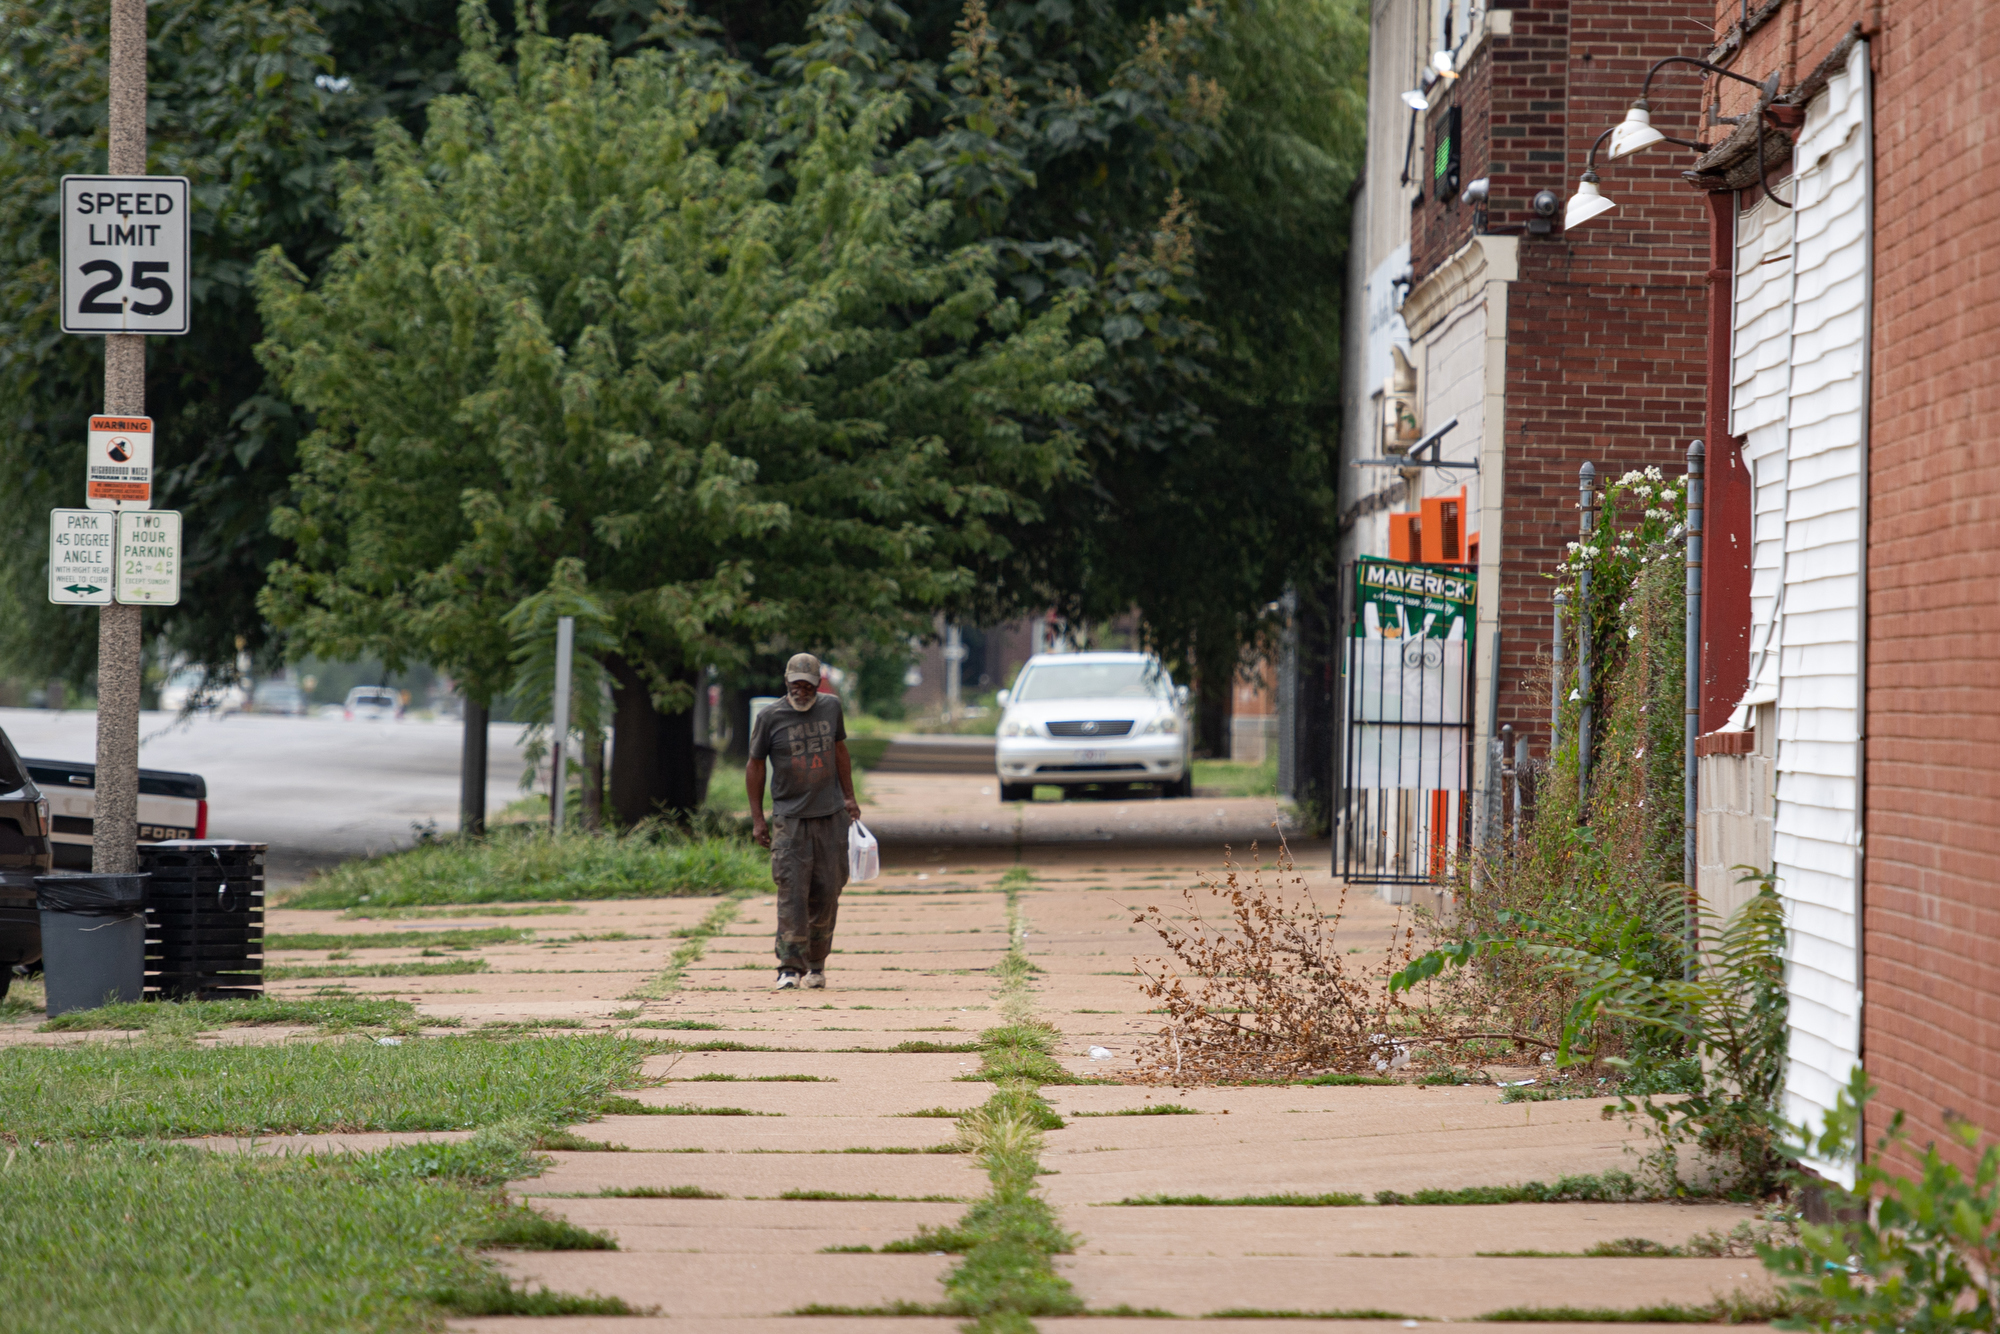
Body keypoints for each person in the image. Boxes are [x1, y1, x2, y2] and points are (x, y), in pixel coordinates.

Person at [746, 653, 862, 990]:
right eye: (796, 684)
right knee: (791, 892)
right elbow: (754, 766)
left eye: (807, 685)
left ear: (816, 685)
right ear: (786, 682)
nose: (802, 691)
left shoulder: (830, 708)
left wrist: (849, 798)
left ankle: (816, 963)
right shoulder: (770, 717)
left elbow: (840, 751)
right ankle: (788, 966)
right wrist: (758, 819)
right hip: (789, 819)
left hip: (830, 816)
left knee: (827, 891)